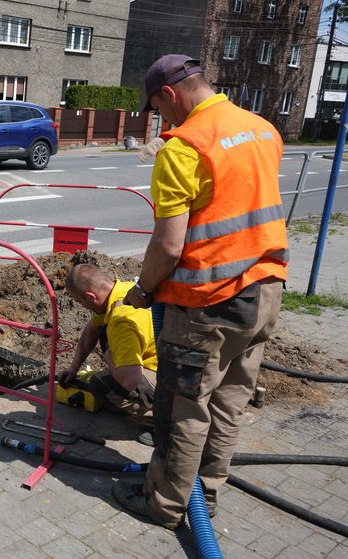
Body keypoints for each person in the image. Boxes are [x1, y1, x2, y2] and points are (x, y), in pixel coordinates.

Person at [117, 54, 288, 530]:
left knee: (182, 408)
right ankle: (206, 496)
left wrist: (144, 291)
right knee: (231, 400)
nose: (161, 119)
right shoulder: (261, 128)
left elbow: (169, 245)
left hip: (207, 303)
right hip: (266, 289)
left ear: (169, 94)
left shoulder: (184, 147)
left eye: (157, 108)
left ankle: (166, 504)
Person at [57, 264, 157, 434]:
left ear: (90, 296)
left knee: (101, 384)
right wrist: (74, 367)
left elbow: (131, 380)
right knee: (103, 332)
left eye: (80, 301)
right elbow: (92, 330)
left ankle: (165, 425)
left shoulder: (121, 321)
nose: (81, 305)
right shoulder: (123, 291)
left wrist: (109, 356)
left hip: (165, 376)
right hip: (174, 361)